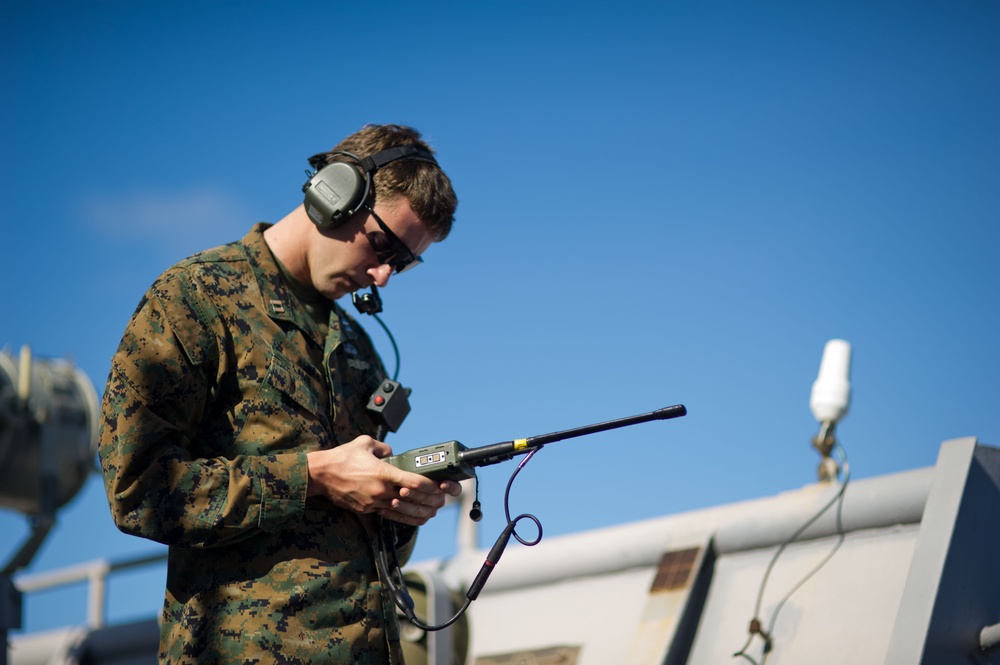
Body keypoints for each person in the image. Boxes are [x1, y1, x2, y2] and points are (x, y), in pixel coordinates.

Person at [98, 124, 461, 664]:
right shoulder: (195, 298)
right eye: (383, 245)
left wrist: (401, 506)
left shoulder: (359, 351)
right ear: (335, 194)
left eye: (404, 263)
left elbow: (365, 541)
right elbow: (138, 490)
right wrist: (314, 475)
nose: (383, 276)